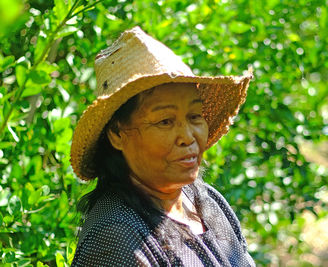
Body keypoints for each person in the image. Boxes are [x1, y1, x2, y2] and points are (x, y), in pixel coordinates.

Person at [70, 26, 254, 266]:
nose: (187, 136)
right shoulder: (115, 237)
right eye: (165, 121)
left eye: (195, 116)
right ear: (117, 134)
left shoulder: (206, 201)